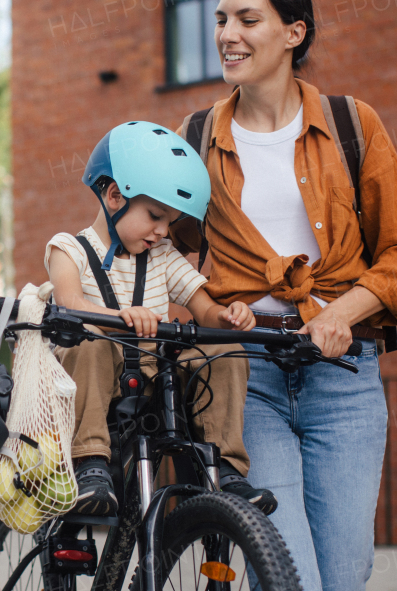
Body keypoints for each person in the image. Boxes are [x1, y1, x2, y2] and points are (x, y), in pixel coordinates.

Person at [172, 0, 397, 591]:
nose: (228, 33)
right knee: (288, 588)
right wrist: (207, 306)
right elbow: (160, 254)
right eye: (222, 18)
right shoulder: (196, 137)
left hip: (342, 375)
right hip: (245, 378)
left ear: (293, 32)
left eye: (247, 19)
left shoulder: (352, 124)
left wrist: (343, 309)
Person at [45, 121, 264, 517]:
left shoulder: (163, 258)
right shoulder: (68, 249)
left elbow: (205, 309)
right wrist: (119, 316)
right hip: (97, 376)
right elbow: (70, 304)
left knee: (224, 349)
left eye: (170, 222)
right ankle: (90, 463)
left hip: (156, 375)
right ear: (115, 195)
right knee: (88, 336)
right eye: (155, 216)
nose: (164, 231)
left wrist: (229, 317)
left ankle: (225, 467)